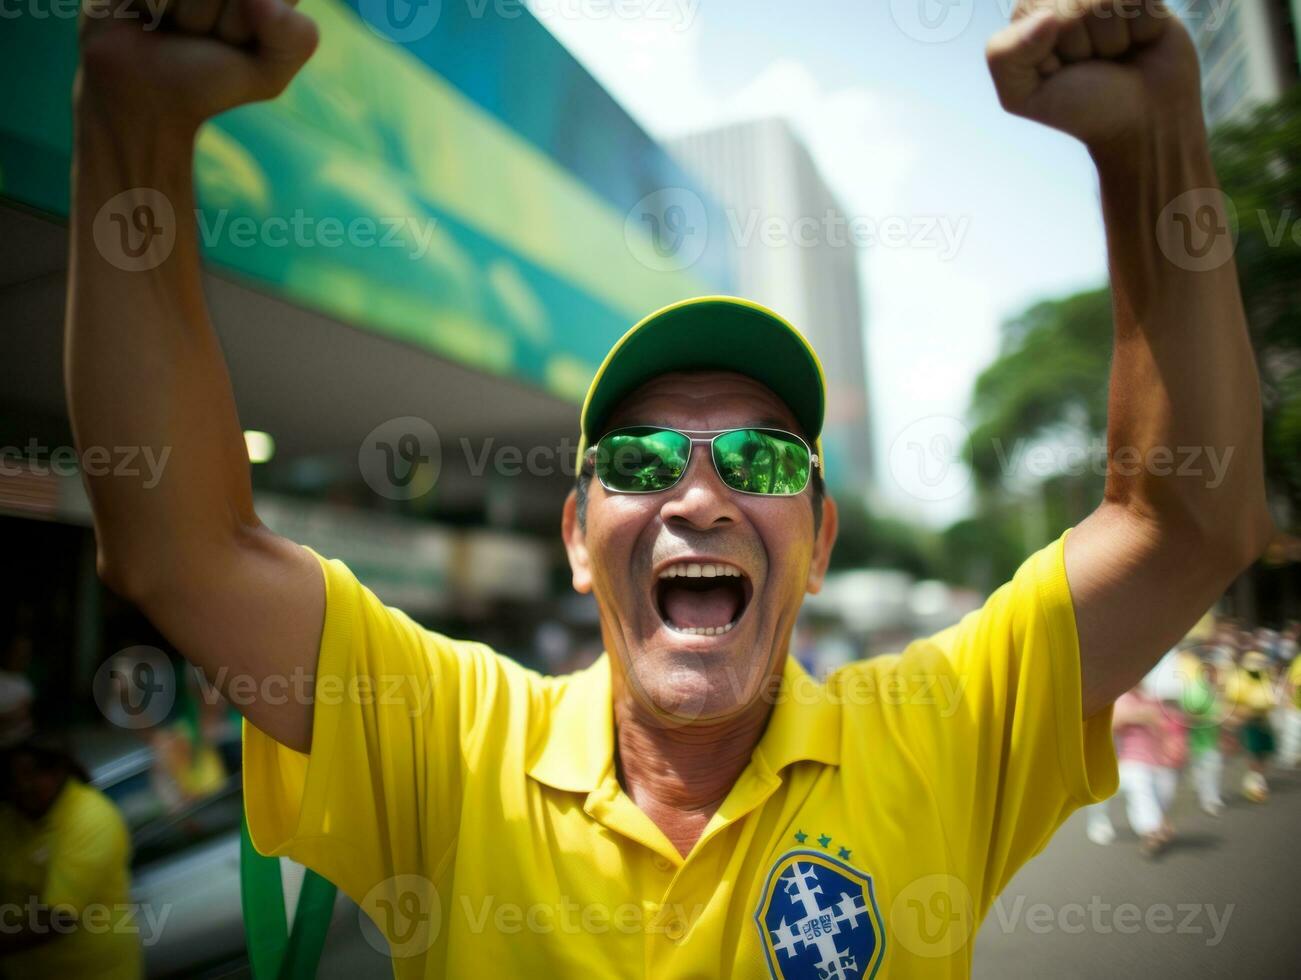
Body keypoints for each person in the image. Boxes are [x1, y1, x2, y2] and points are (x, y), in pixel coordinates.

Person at [66, 1, 1273, 976]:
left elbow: (1188, 521)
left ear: (817, 535)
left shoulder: (936, 733)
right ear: (579, 538)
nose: (698, 497)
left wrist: (1152, 137)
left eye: (757, 460)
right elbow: (181, 551)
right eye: (640, 463)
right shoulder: (447, 739)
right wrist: (130, 120)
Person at [0, 734, 142, 979]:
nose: (23, 786)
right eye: (14, 778)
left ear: (57, 772)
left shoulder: (91, 817)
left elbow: (58, 918)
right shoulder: (11, 817)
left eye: (31, 774)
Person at [1226, 650, 1278, 802]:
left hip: (1264, 721)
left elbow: (1270, 698)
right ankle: (1254, 786)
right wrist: (1234, 721)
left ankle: (1257, 779)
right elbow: (1233, 703)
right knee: (1254, 753)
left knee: (1265, 752)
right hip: (1249, 721)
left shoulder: (1264, 677)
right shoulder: (1239, 679)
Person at [1182, 656, 1227, 815]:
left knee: (1210, 768)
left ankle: (1209, 798)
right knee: (1207, 767)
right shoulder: (1196, 690)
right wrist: (1210, 720)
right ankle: (1209, 799)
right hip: (1196, 740)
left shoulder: (1214, 690)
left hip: (1210, 740)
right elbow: (1188, 716)